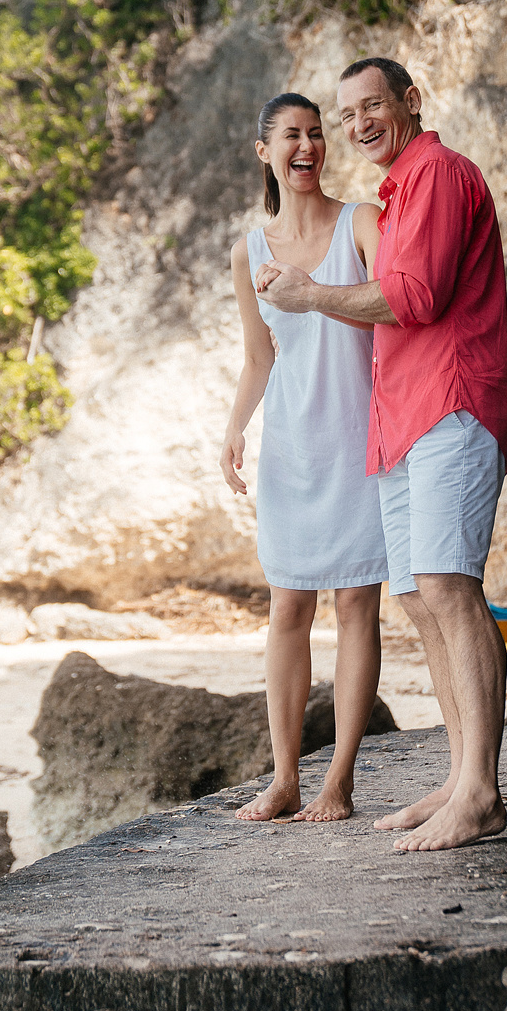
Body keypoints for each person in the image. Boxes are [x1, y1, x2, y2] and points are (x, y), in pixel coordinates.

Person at [256, 57, 507, 852]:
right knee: (417, 594)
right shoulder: (398, 192)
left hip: (452, 403)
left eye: (374, 106)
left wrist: (310, 295)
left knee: (447, 584)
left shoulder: (435, 173)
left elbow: (413, 299)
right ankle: (460, 772)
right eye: (347, 114)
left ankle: (480, 790)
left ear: (411, 101)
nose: (359, 123)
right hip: (402, 421)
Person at [222, 92, 392, 823]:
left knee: (357, 603)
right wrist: (233, 429)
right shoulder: (248, 249)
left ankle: (340, 781)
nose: (309, 145)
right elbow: (259, 357)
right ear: (264, 150)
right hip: (291, 444)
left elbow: (395, 304)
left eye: (317, 134)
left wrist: (312, 292)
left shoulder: (360, 222)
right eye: (292, 134)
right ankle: (285, 777)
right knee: (287, 603)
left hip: (360, 435)